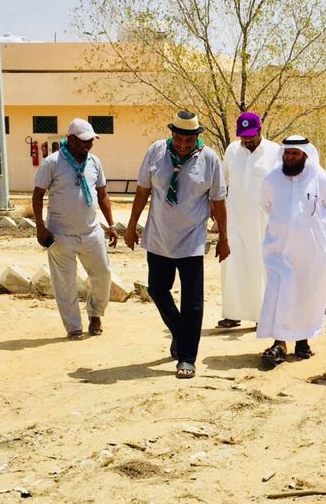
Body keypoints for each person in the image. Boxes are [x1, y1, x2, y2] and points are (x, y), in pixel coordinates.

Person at [125, 110, 229, 378]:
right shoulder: (156, 152)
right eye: (179, 138)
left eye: (189, 139)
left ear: (197, 137)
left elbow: (218, 201)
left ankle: (187, 356)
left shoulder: (209, 159)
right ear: (172, 134)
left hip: (192, 238)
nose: (183, 144)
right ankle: (181, 334)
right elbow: (142, 191)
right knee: (158, 290)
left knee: (192, 301)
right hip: (159, 234)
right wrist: (130, 226)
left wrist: (223, 238)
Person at [31, 118, 119, 339]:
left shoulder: (94, 162)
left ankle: (96, 314)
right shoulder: (52, 162)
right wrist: (40, 228)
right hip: (60, 235)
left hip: (91, 232)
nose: (88, 145)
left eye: (91, 141)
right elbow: (38, 195)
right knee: (65, 284)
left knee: (103, 274)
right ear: (70, 139)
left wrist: (111, 224)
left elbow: (103, 194)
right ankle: (73, 327)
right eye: (83, 141)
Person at [256, 135, 326, 367]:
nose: (289, 158)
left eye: (295, 154)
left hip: (311, 252)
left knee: (306, 294)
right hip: (278, 249)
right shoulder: (271, 178)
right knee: (279, 291)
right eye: (287, 153)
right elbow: (266, 205)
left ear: (305, 155)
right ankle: (279, 344)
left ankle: (302, 340)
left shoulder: (320, 178)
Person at [218, 111, 279, 329]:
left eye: (251, 135)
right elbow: (222, 182)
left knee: (260, 267)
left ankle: (261, 315)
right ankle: (232, 313)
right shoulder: (232, 150)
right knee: (232, 266)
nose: (247, 140)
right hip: (234, 220)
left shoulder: (274, 151)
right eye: (243, 136)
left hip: (263, 221)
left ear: (260, 130)